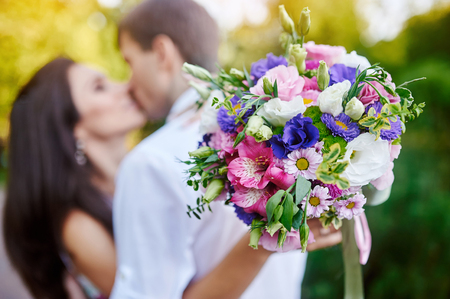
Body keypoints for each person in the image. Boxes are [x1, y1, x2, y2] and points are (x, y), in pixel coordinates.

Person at [112, 1, 342, 298]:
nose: (128, 83)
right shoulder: (281, 128)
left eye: (129, 61)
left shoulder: (149, 162)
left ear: (161, 52)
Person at [3, 58, 147, 299]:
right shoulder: (79, 226)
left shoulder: (141, 176)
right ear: (71, 127)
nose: (126, 86)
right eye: (99, 87)